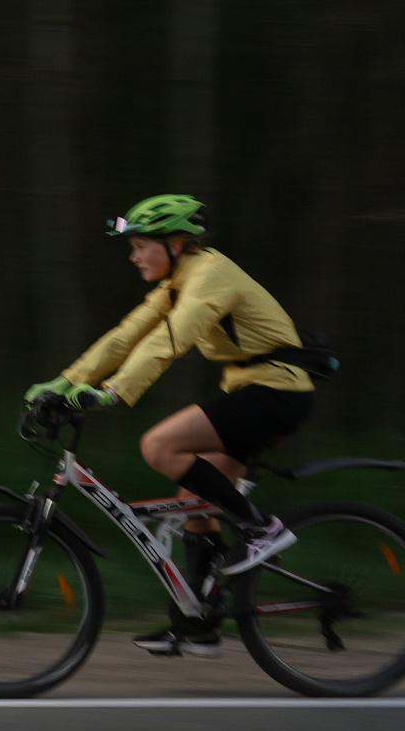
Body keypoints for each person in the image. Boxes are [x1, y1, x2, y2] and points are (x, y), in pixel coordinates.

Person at [25, 193, 316, 658]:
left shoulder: (209, 276)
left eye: (142, 245)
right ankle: (197, 624)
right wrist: (64, 382)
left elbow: (172, 337)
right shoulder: (177, 281)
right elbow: (125, 335)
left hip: (277, 393)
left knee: (159, 446)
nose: (134, 255)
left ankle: (262, 530)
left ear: (177, 244)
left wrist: (114, 391)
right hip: (253, 392)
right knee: (193, 501)